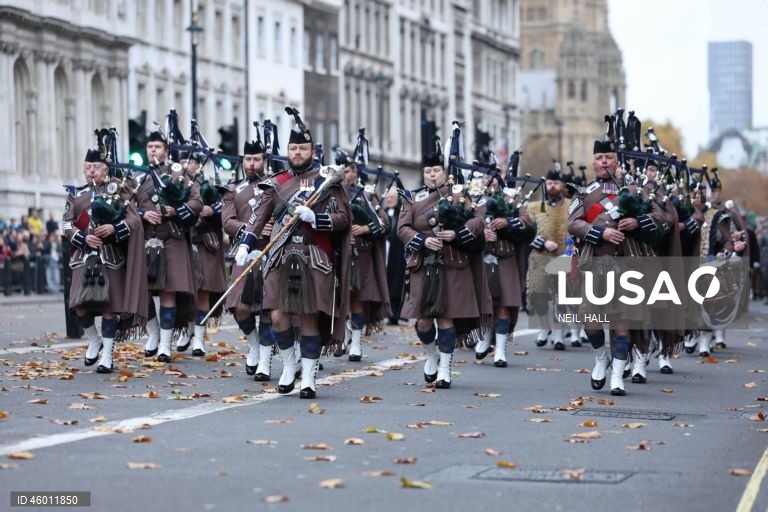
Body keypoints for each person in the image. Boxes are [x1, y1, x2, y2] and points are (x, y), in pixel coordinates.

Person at [233, 107, 351, 398]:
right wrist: (246, 243)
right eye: (293, 147)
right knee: (276, 316)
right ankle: (289, 365)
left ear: (312, 150)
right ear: (287, 150)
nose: (298, 152)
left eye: (303, 147)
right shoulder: (276, 182)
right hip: (280, 256)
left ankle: (309, 377)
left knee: (310, 318)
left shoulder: (328, 180)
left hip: (315, 256)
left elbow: (343, 219)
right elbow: (257, 217)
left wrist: (316, 218)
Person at [567, 139, 664, 396]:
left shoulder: (635, 190)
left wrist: (637, 221)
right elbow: (573, 224)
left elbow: (660, 217)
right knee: (591, 321)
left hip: (627, 263)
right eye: (600, 158)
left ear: (616, 161)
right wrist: (600, 233)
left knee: (622, 322)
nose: (604, 162)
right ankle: (601, 357)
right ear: (593, 162)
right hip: (595, 263)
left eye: (609, 157)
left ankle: (618, 376)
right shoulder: (584, 192)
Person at [397, 136, 492, 388]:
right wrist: (422, 241)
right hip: (423, 264)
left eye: (436, 170)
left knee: (447, 319)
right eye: (428, 171)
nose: (432, 175)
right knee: (424, 321)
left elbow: (477, 221)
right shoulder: (412, 197)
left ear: (444, 172)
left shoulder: (459, 194)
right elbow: (402, 228)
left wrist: (456, 234)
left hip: (453, 263)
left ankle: (446, 370)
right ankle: (432, 355)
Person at [62, 138, 148, 372]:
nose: (92, 171)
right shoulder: (75, 195)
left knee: (110, 308)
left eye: (96, 167)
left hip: (111, 256)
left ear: (106, 169)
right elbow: (66, 224)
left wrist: (113, 228)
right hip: (84, 256)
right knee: (79, 306)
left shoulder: (119, 190)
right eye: (88, 167)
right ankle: (94, 339)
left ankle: (108, 355)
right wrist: (82, 238)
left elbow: (134, 220)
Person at [137, 124, 203, 363]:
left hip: (172, 236)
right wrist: (143, 214)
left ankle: (165, 344)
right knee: (141, 291)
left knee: (168, 291)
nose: (153, 151)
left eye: (157, 147)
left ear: (166, 150)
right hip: (145, 239)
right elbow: (127, 206)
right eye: (150, 147)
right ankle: (153, 333)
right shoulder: (137, 177)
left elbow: (196, 201)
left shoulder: (179, 174)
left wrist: (176, 210)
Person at [222, 128, 278, 380]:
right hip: (244, 253)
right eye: (247, 159)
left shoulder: (277, 185)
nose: (251, 164)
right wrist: (250, 228)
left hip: (272, 252)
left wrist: (274, 226)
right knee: (239, 307)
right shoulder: (233, 190)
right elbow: (227, 221)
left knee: (269, 309)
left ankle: (265, 360)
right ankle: (254, 343)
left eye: (256, 159)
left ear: (264, 161)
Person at [336, 142, 390, 362]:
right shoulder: (330, 192)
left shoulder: (366, 194)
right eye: (340, 171)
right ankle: (341, 336)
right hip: (337, 255)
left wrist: (366, 228)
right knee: (336, 301)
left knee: (356, 299)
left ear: (355, 171)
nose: (344, 175)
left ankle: (356, 342)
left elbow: (385, 223)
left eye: (347, 171)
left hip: (361, 256)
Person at [173, 151, 227, 357]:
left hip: (205, 242)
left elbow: (225, 207)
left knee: (203, 290)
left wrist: (211, 211)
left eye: (191, 162)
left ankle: (199, 337)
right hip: (183, 242)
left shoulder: (209, 185)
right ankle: (186, 330)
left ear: (198, 166)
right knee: (184, 290)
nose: (187, 165)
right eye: (183, 161)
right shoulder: (174, 185)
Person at [526, 167, 572, 351]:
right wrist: (542, 243)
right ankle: (545, 327)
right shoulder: (533, 207)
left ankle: (559, 332)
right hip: (539, 256)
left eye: (556, 183)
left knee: (562, 297)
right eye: (550, 183)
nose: (553, 186)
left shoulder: (571, 205)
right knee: (538, 294)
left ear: (562, 185)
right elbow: (525, 231)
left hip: (565, 255)